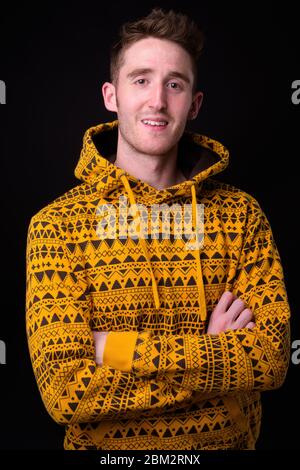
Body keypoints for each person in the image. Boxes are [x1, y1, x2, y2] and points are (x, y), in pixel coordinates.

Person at [25, 7, 291, 450]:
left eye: (175, 84)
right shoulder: (57, 226)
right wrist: (212, 356)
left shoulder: (242, 215)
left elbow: (270, 359)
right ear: (112, 96)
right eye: (141, 79)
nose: (158, 102)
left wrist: (110, 348)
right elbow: (66, 392)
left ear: (195, 103)